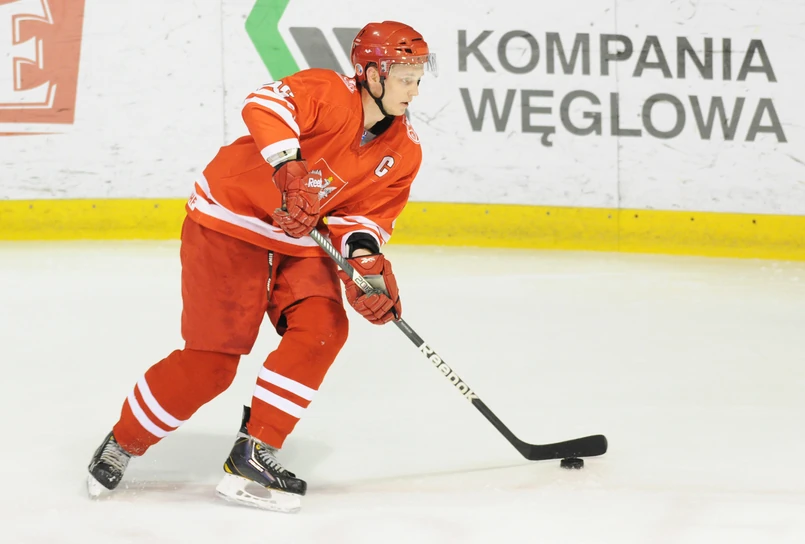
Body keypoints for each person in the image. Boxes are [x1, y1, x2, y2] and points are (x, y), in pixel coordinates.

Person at [86, 20, 435, 513]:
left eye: (418, 79)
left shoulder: (404, 150)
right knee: (211, 365)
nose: (414, 91)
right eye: (405, 78)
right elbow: (264, 104)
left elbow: (364, 218)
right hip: (229, 221)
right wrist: (288, 165)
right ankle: (123, 441)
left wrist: (365, 267)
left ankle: (254, 451)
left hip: (299, 237)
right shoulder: (325, 91)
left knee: (324, 329)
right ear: (373, 74)